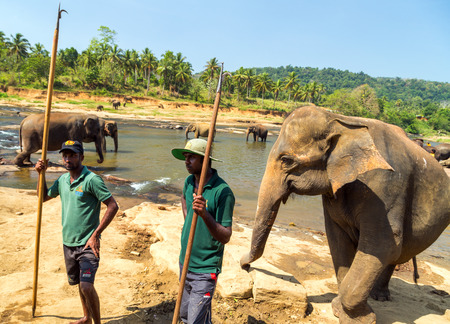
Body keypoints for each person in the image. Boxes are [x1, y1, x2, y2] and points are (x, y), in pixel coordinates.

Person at [35, 140, 118, 324]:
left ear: (81, 157)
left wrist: (96, 234)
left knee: (87, 286)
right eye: (65, 155)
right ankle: (87, 317)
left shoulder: (92, 180)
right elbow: (42, 198)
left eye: (72, 155)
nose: (67, 159)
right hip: (68, 242)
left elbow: (113, 206)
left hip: (88, 244)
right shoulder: (63, 180)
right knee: (80, 285)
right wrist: (41, 175)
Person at [171, 138, 235, 324]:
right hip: (186, 261)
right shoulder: (189, 182)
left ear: (205, 160)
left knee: (195, 321)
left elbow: (226, 236)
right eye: (186, 157)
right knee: (184, 315)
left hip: (205, 269)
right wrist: (189, 219)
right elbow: (184, 198)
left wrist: (204, 214)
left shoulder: (223, 192)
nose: (186, 161)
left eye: (192, 157)